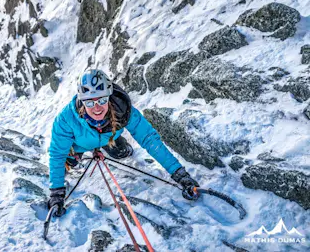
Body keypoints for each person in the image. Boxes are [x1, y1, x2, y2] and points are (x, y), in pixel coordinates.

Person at [47, 69, 200, 216]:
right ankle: (83, 152)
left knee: (121, 153)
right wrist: (57, 193)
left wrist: (179, 174)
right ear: (82, 101)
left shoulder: (123, 111)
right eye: (89, 103)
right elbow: (57, 154)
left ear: (109, 96)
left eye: (102, 99)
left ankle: (114, 142)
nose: (97, 108)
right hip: (78, 144)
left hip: (109, 134)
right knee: (65, 165)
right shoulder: (66, 119)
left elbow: (149, 139)